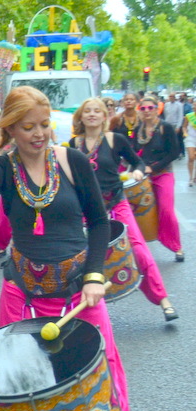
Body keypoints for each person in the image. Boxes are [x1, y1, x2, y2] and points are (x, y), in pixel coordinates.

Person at [0, 85, 143, 411]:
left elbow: (98, 222)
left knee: (102, 372)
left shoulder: (72, 161)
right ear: (12, 128)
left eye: (44, 125)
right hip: (23, 290)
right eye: (28, 127)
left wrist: (95, 275)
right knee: (14, 380)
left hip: (78, 290)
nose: (39, 134)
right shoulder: (3, 168)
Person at [71, 97, 178, 321]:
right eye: (87, 110)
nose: (92, 114)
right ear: (81, 116)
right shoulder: (73, 145)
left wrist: (137, 170)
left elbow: (137, 162)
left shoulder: (115, 140)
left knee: (139, 250)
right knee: (78, 256)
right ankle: (82, 312)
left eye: (97, 111)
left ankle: (163, 300)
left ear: (104, 116)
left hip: (116, 203)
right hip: (86, 208)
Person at [133, 96, 184, 262]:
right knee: (139, 212)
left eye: (150, 108)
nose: (147, 111)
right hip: (143, 177)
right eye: (143, 108)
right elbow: (134, 152)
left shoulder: (165, 127)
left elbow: (174, 153)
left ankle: (177, 246)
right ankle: (139, 249)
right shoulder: (138, 129)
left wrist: (153, 168)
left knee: (167, 210)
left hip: (163, 174)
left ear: (157, 109)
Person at [185, 102, 196, 186]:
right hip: (191, 139)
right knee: (191, 157)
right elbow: (184, 126)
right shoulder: (189, 116)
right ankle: (190, 178)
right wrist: (185, 133)